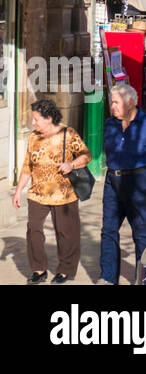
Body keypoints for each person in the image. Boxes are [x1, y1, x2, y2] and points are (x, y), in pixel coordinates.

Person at [12, 99, 90, 284]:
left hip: (64, 194)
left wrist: (71, 164)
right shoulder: (33, 137)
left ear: (48, 118)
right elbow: (27, 166)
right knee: (34, 231)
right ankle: (39, 269)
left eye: (36, 119)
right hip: (37, 193)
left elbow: (86, 155)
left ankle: (65, 270)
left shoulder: (68, 134)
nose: (33, 123)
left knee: (66, 233)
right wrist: (18, 190)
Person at [100, 83, 146, 284]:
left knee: (143, 234)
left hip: (139, 182)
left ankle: (144, 278)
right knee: (108, 230)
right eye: (111, 102)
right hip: (113, 181)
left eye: (116, 103)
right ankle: (108, 277)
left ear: (130, 103)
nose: (112, 107)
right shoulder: (110, 124)